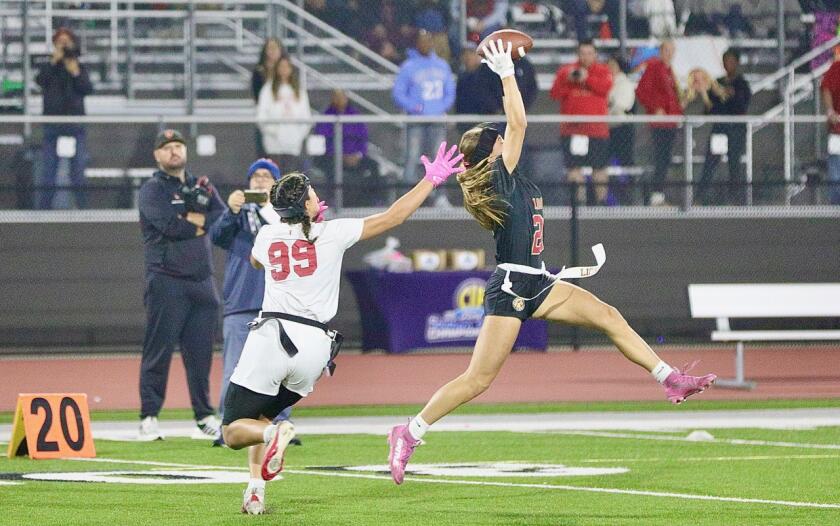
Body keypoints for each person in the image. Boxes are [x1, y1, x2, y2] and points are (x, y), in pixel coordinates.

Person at [386, 39, 717, 485]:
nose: (506, 138)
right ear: (492, 150)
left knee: (608, 315)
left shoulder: (505, 176)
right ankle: (409, 431)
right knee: (478, 380)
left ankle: (668, 378)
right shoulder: (497, 178)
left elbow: (514, 128)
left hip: (537, 280)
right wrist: (505, 72)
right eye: (499, 139)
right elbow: (518, 122)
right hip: (512, 287)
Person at [221, 144, 464, 515]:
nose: (318, 197)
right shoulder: (333, 233)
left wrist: (298, 225)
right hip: (316, 348)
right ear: (304, 205)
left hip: (274, 337)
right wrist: (430, 182)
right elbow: (394, 216)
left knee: (234, 430)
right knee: (264, 415)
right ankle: (255, 489)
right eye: (312, 195)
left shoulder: (268, 236)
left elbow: (256, 262)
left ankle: (275, 436)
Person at [137, 129, 226, 441]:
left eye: (178, 146)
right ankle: (148, 417)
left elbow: (220, 216)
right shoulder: (151, 189)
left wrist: (192, 218)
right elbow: (171, 227)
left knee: (201, 355)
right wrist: (196, 220)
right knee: (158, 351)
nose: (174, 151)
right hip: (166, 280)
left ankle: (204, 416)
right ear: (157, 155)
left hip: (202, 280)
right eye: (167, 148)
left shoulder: (200, 184)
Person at [209, 158, 303, 448]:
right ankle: (228, 425)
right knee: (234, 367)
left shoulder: (284, 217)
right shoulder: (238, 214)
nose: (260, 180)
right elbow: (217, 236)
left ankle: (281, 423)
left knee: (282, 368)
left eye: (266, 176)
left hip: (278, 305)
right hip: (241, 300)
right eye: (255, 176)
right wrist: (230, 211)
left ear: (276, 184)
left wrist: (265, 207)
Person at [35, 27, 93, 210]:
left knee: (77, 172)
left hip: (75, 126)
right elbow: (40, 81)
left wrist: (74, 71)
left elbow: (87, 88)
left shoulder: (79, 67)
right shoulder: (49, 67)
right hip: (53, 125)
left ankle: (83, 210)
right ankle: (43, 211)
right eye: (60, 42)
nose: (64, 45)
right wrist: (54, 61)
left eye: (67, 42)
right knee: (48, 171)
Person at [550, 40, 613, 205]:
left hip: (597, 131)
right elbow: (555, 93)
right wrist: (569, 80)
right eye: (583, 53)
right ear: (578, 54)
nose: (586, 57)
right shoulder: (567, 71)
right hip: (574, 130)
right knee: (574, 168)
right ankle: (578, 204)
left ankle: (601, 204)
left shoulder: (602, 70)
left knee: (599, 168)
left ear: (595, 54)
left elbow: (605, 88)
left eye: (589, 53)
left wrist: (587, 79)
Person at [392, 30, 456, 184]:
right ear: (417, 43)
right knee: (412, 156)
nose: (425, 44)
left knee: (438, 158)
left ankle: (439, 196)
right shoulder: (408, 66)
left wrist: (440, 108)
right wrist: (414, 107)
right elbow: (398, 93)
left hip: (437, 119)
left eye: (428, 40)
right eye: (422, 41)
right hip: (416, 120)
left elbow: (450, 92)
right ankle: (407, 196)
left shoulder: (442, 65)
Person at [695, 51, 751, 205]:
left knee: (734, 163)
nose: (728, 64)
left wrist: (731, 94)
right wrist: (707, 95)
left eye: (732, 61)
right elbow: (710, 109)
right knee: (711, 162)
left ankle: (735, 199)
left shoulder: (742, 84)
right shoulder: (717, 83)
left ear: (737, 63)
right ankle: (699, 197)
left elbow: (742, 106)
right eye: (726, 61)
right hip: (720, 130)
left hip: (735, 131)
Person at [313, 90, 383, 206]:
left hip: (355, 156)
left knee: (373, 166)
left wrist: (358, 155)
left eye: (342, 97)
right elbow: (321, 141)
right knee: (329, 168)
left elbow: (363, 139)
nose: (340, 100)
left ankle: (374, 200)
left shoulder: (354, 116)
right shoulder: (326, 117)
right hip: (333, 156)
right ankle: (332, 201)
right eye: (337, 97)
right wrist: (340, 155)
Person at [635, 39, 683, 206]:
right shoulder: (655, 68)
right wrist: (655, 108)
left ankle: (659, 193)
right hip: (660, 123)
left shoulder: (671, 71)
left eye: (672, 51)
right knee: (660, 158)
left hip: (671, 122)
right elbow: (641, 91)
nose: (669, 54)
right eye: (666, 50)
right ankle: (656, 195)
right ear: (661, 51)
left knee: (666, 158)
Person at [257, 56, 312, 173]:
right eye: (281, 66)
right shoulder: (267, 90)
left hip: (293, 144)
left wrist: (298, 135)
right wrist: (274, 131)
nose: (284, 70)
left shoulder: (299, 91)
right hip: (273, 144)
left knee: (291, 177)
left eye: (287, 67)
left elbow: (306, 117)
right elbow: (261, 116)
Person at [455, 43, 500, 133]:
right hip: (466, 123)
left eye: (470, 53)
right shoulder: (462, 77)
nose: (467, 57)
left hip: (487, 122)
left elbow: (497, 96)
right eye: (464, 54)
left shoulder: (490, 74)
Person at [251, 38, 284, 159]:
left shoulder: (287, 71)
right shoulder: (259, 71)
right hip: (267, 116)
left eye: (275, 48)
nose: (273, 51)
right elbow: (257, 96)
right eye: (270, 48)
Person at [607, 54, 636, 168]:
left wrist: (609, 106)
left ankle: (628, 183)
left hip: (621, 128)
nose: (609, 68)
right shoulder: (607, 82)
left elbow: (622, 105)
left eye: (613, 65)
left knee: (625, 159)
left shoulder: (625, 84)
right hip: (607, 127)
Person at [822, 45, 840, 205]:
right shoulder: (837, 68)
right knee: (835, 176)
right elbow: (826, 88)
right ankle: (835, 212)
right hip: (837, 132)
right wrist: (830, 111)